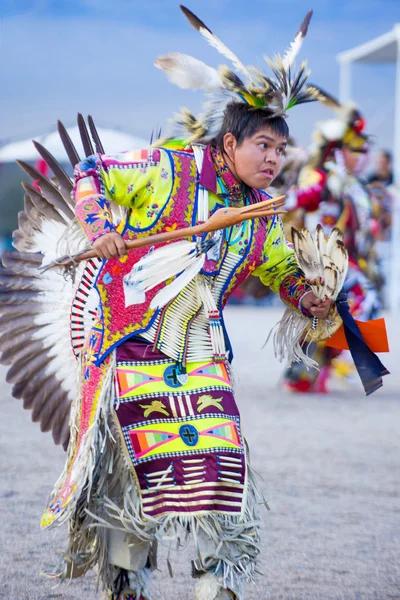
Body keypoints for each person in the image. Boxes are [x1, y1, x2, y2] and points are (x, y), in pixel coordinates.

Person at [2, 6, 339, 600]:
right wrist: (100, 224)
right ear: (230, 142)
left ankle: (218, 581)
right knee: (133, 465)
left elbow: (277, 267)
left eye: (281, 149)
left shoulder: (259, 214)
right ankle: (127, 582)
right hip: (129, 340)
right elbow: (92, 171)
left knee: (220, 456)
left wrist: (305, 295)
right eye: (263, 144)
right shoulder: (169, 171)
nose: (273, 159)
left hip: (200, 348)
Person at [282, 101, 381, 393]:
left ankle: (321, 367)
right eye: (357, 150)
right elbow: (300, 198)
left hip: (345, 261)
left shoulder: (353, 186)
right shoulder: (322, 177)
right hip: (318, 262)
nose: (362, 157)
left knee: (346, 310)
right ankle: (331, 366)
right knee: (358, 300)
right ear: (339, 151)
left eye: (364, 151)